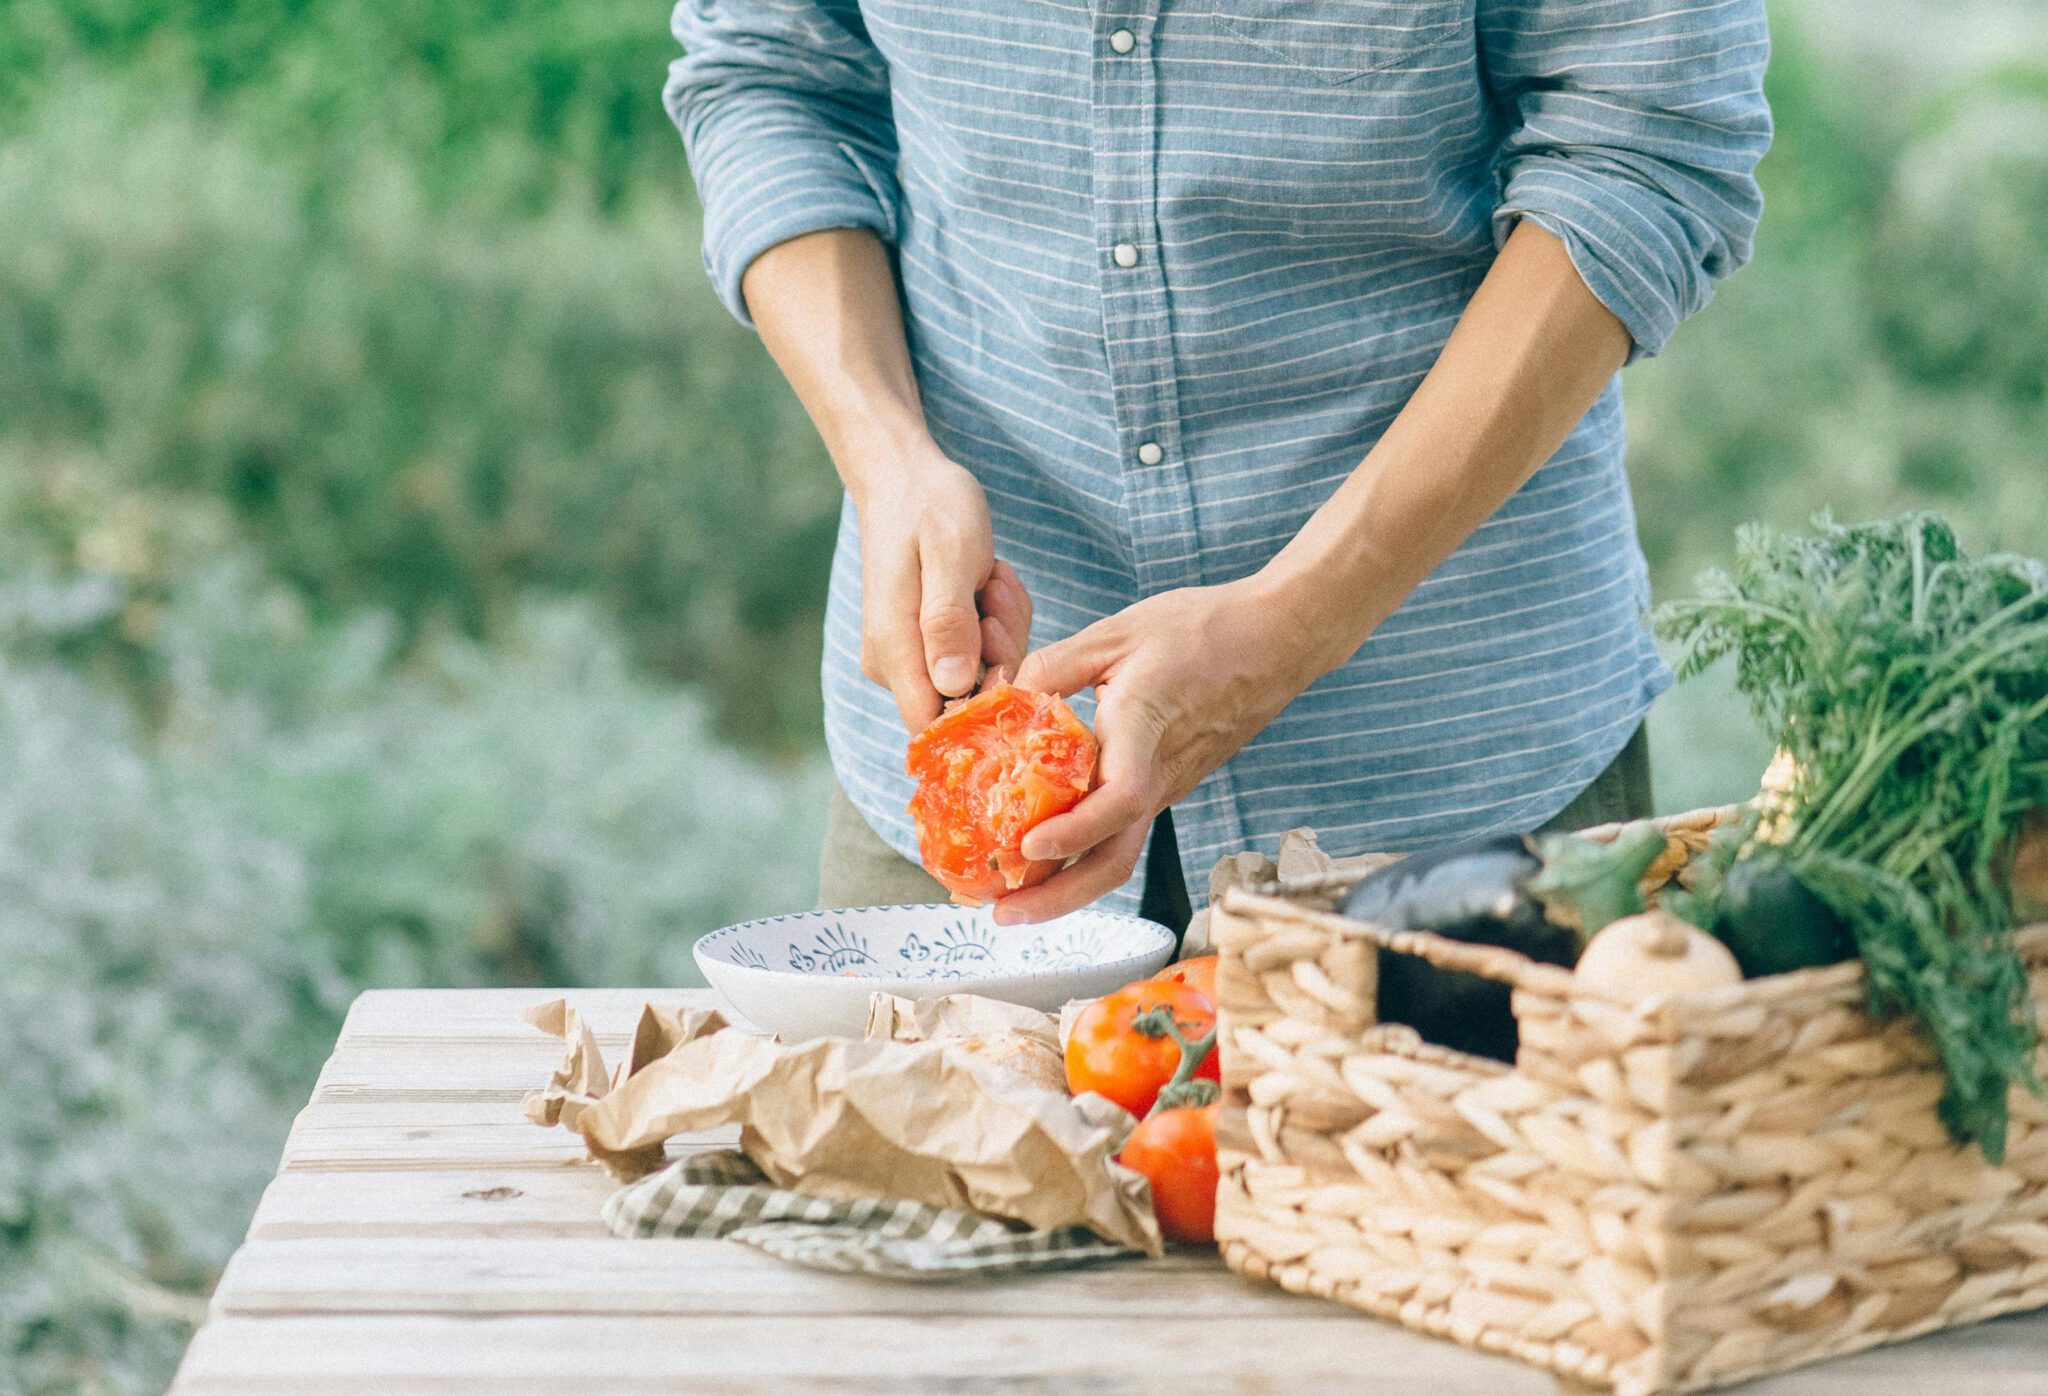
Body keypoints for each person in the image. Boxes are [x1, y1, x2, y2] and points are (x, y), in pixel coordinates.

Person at [665, 1, 1770, 931]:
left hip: (1454, 795)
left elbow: (1641, 151)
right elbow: (772, 76)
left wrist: (1301, 618)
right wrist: (885, 452)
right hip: (954, 804)